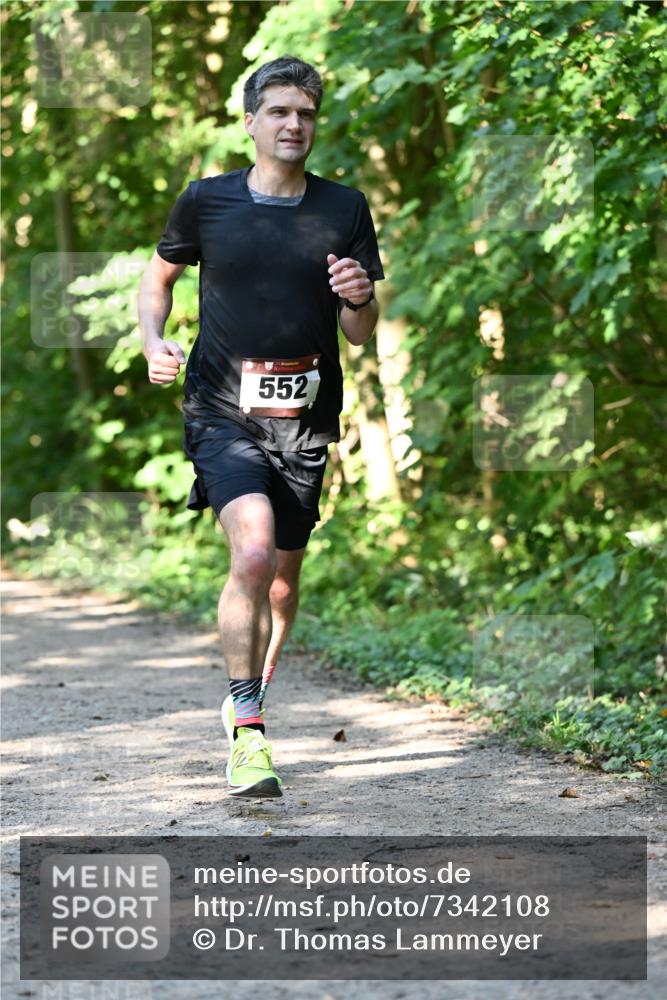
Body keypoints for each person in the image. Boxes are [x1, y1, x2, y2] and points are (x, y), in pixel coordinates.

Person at [138, 55, 385, 798]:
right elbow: (157, 278)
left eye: (305, 113)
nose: (293, 124)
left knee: (280, 582)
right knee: (249, 553)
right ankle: (248, 731)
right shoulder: (206, 201)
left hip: (304, 424)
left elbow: (359, 333)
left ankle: (252, 692)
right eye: (278, 111)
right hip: (223, 412)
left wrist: (359, 295)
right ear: (250, 122)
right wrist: (153, 341)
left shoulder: (344, 208)